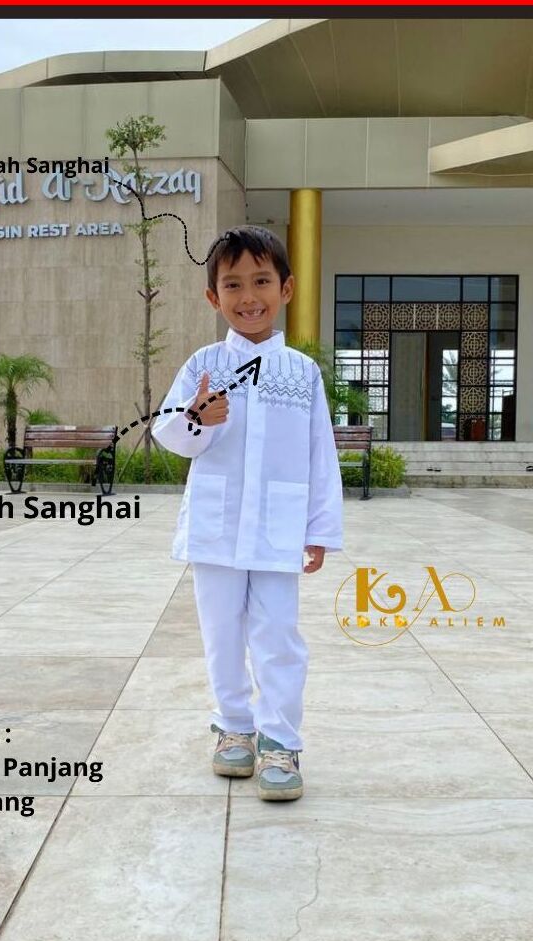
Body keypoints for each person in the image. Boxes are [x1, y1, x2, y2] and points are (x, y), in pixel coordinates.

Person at [151, 225, 343, 801]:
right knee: (221, 632)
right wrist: (196, 419)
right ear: (214, 297)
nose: (248, 296)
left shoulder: (302, 373)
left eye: (261, 281)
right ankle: (234, 727)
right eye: (232, 285)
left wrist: (319, 529)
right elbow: (168, 433)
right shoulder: (203, 364)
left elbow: (320, 454)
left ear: (286, 289)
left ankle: (280, 740)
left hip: (278, 529)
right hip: (217, 528)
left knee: (278, 634)